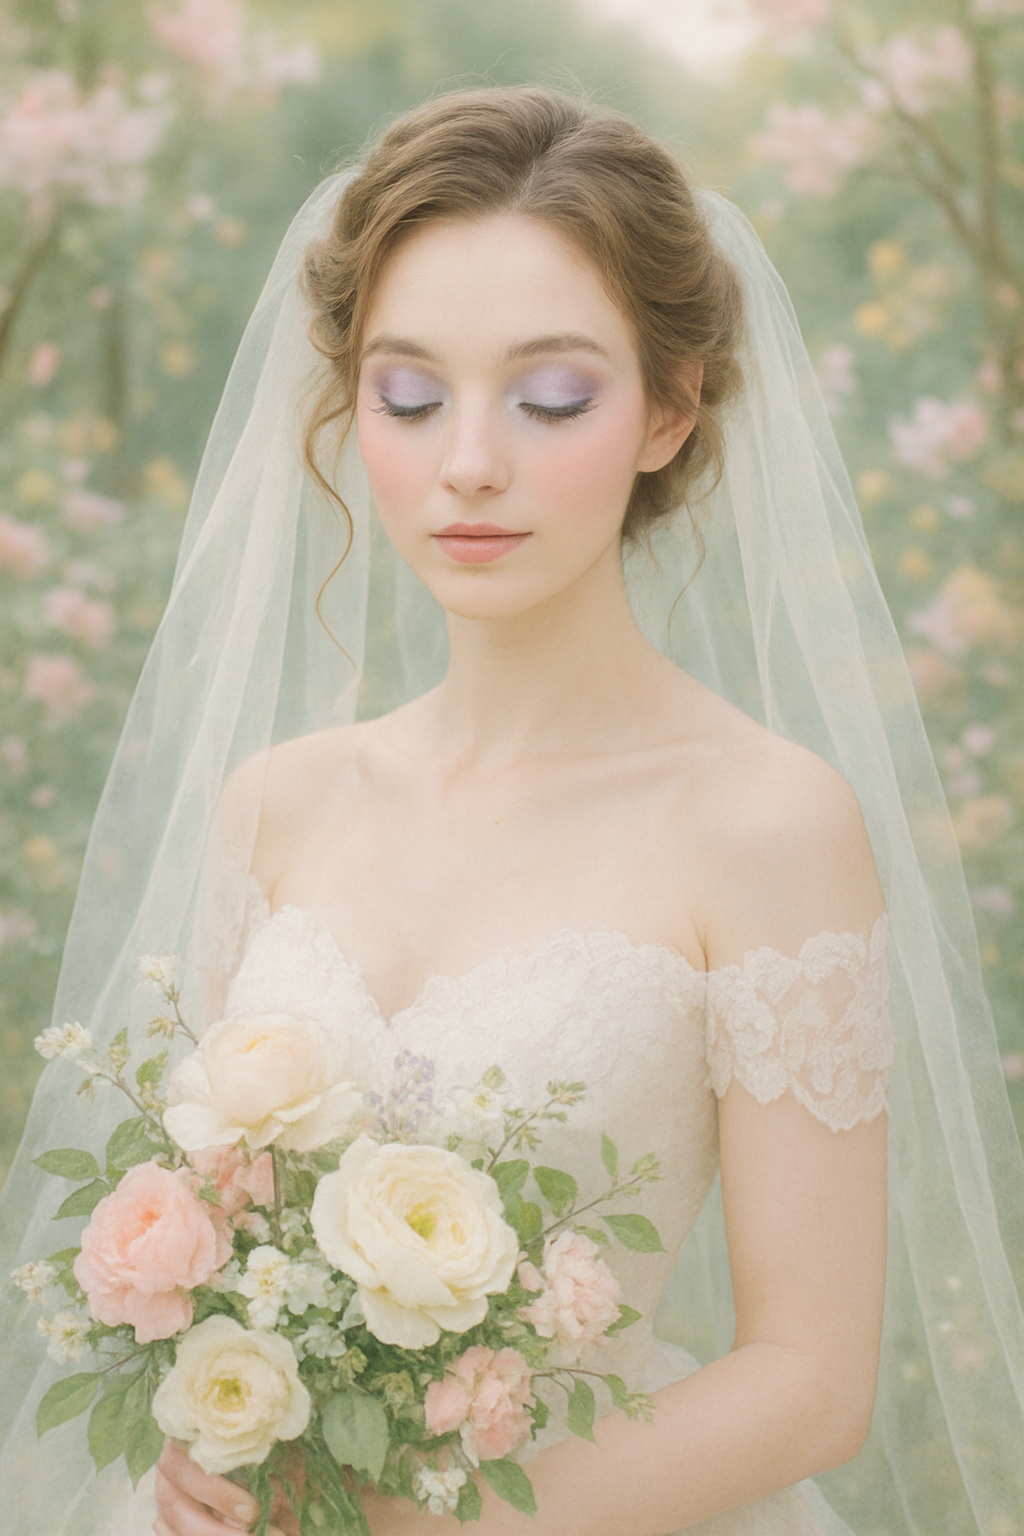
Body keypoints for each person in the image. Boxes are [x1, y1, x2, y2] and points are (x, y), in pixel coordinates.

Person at [1, 87, 1022, 1536]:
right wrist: (210, 1415)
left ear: (672, 408)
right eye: (410, 397)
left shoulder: (766, 825)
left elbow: (811, 1381)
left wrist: (438, 1517)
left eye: (551, 398)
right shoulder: (276, 805)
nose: (469, 460)